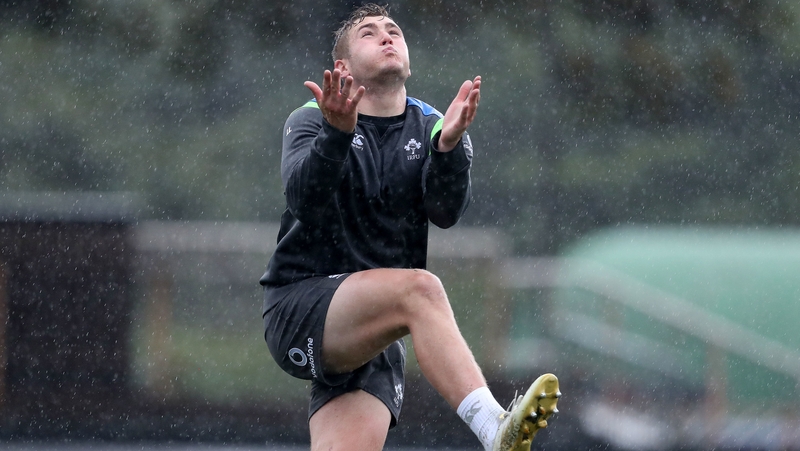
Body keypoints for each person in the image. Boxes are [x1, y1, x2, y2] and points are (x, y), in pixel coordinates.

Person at [260, 4, 560, 451]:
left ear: (408, 57)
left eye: (394, 31)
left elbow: (445, 213)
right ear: (342, 67)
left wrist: (449, 149)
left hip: (375, 332)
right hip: (302, 305)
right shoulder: (313, 117)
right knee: (421, 290)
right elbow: (305, 200)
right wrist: (337, 134)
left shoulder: (437, 125)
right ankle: (493, 426)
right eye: (369, 33)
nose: (386, 37)